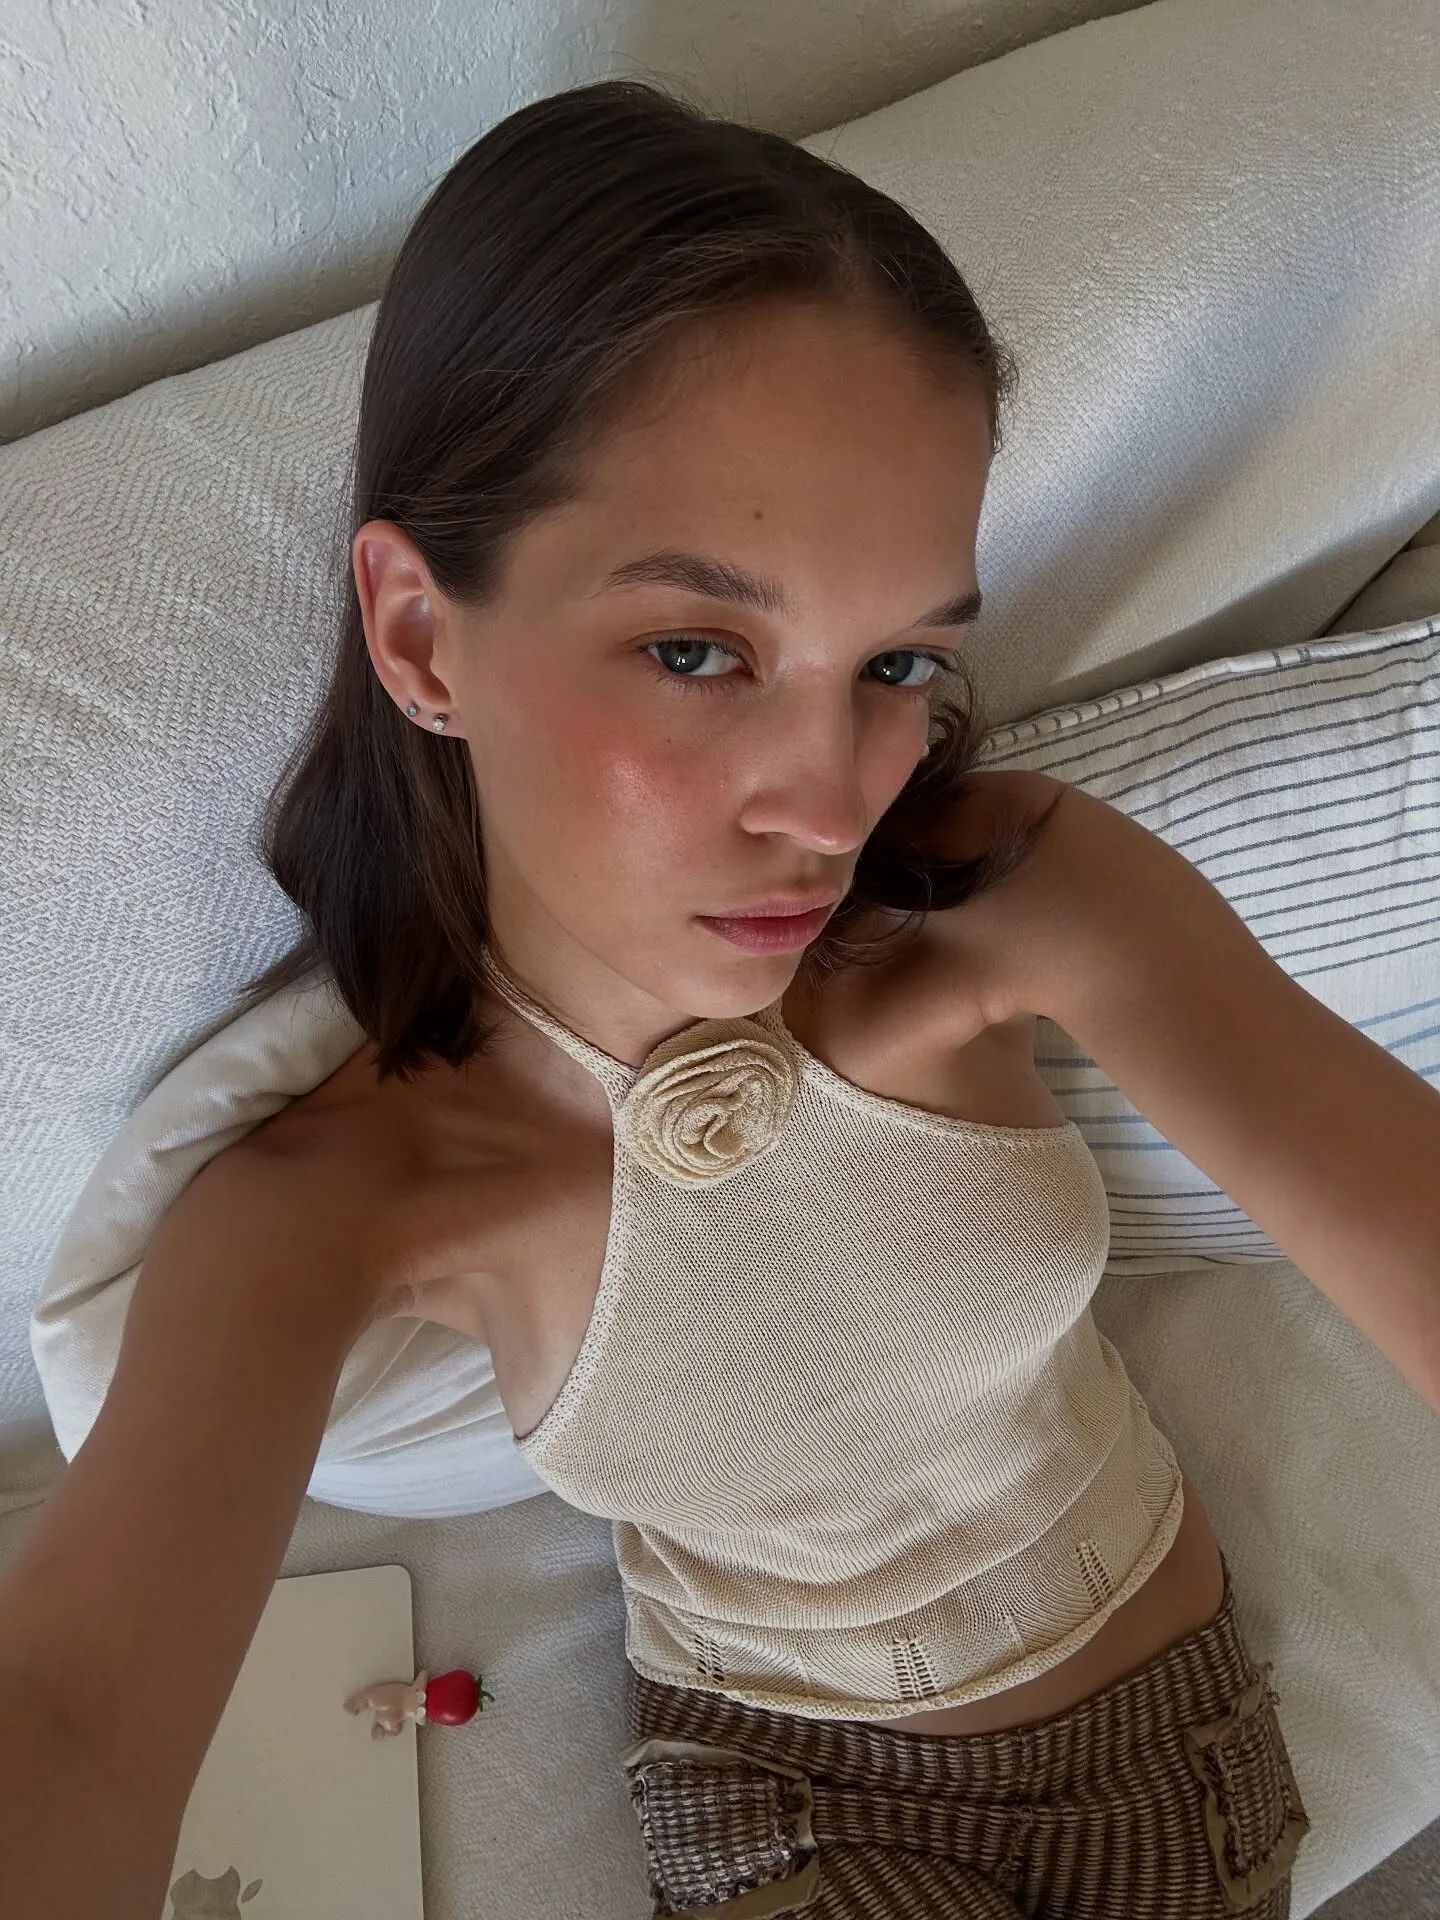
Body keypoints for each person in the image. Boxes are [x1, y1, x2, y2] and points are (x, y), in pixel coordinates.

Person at [3, 76, 1437, 1920]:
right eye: (697, 650)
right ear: (424, 635)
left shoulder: (1006, 897)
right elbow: (70, 1721)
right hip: (792, 1816)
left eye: (897, 663)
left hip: (1182, 1760)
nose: (831, 803)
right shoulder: (339, 1199)